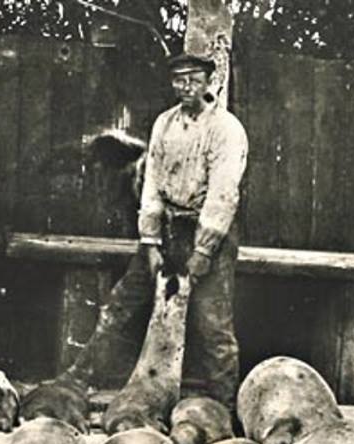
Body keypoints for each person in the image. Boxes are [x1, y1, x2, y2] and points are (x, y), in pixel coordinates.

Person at [61, 52, 249, 408]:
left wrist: (203, 251)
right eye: (179, 80)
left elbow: (225, 194)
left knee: (213, 324)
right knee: (122, 303)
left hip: (208, 229)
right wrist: (150, 241)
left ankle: (223, 406)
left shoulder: (226, 130)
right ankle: (78, 378)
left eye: (194, 79)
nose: (186, 87)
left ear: (208, 82)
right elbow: (152, 185)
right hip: (166, 227)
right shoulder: (164, 123)